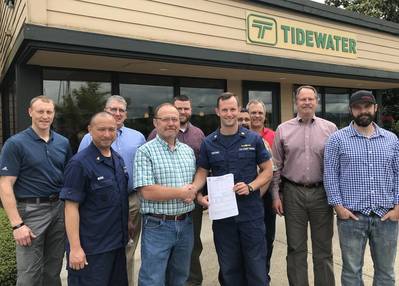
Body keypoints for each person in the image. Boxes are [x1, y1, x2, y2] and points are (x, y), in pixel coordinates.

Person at [193, 92, 273, 286]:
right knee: (229, 269)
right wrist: (196, 193)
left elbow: (268, 170)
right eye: (225, 109)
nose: (229, 113)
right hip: (223, 218)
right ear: (217, 112)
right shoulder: (208, 142)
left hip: (251, 215)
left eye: (232, 109)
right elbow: (202, 172)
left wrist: (251, 186)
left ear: (238, 110)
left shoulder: (253, 139)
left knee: (256, 268)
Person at [324, 90, 399, 286]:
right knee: (351, 273)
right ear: (351, 110)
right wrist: (338, 207)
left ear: (375, 108)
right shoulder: (337, 139)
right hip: (351, 217)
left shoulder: (392, 140)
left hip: (386, 217)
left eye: (367, 107)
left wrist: (398, 208)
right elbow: (330, 175)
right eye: (358, 107)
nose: (362, 111)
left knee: (386, 273)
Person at [0, 95, 72, 286]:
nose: (45, 116)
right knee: (29, 274)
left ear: (54, 114)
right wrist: (17, 225)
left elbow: (68, 178)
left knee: (53, 270)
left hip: (59, 209)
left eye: (49, 112)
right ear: (30, 112)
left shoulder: (63, 143)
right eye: (40, 111)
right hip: (31, 212)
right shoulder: (15, 144)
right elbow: (5, 185)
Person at [272, 85, 336, 286]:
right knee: (295, 248)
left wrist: (336, 197)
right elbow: (276, 166)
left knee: (323, 250)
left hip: (322, 194)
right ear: (296, 102)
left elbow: (336, 167)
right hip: (293, 194)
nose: (307, 102)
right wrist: (275, 196)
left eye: (311, 99)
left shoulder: (331, 129)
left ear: (316, 101)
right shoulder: (283, 129)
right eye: (303, 99)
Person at [78, 95, 145, 286]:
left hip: (131, 201)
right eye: (112, 109)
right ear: (105, 110)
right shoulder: (88, 138)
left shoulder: (137, 137)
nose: (117, 113)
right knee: (101, 251)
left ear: (125, 114)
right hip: (99, 205)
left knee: (128, 251)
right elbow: (83, 167)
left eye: (121, 110)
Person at [60, 112, 130, 286]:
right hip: (91, 249)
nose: (107, 134)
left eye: (111, 129)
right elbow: (70, 208)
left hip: (116, 245)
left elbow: (120, 198)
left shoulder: (118, 160)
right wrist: (75, 249)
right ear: (90, 130)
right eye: (101, 129)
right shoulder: (79, 164)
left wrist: (127, 222)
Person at [134, 103, 197, 286]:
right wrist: (181, 192)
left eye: (174, 119)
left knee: (180, 277)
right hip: (157, 225)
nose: (171, 123)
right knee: (152, 279)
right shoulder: (145, 151)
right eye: (166, 119)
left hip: (185, 224)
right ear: (155, 123)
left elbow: (192, 187)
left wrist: (198, 196)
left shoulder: (188, 151)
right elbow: (147, 191)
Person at [147, 95, 205, 286]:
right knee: (159, 260)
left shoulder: (198, 134)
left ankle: (193, 281)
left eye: (186, 108)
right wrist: (182, 192)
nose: (182, 113)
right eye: (178, 109)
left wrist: (195, 192)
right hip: (162, 211)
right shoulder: (153, 139)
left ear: (190, 110)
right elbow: (148, 185)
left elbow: (202, 168)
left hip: (191, 202)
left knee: (191, 246)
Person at [247, 99, 276, 283]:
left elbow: (276, 168)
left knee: (267, 237)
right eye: (253, 112)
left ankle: (263, 275)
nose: (257, 116)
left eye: (260, 113)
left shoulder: (274, 136)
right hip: (244, 194)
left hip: (266, 195)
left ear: (265, 116)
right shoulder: (240, 134)